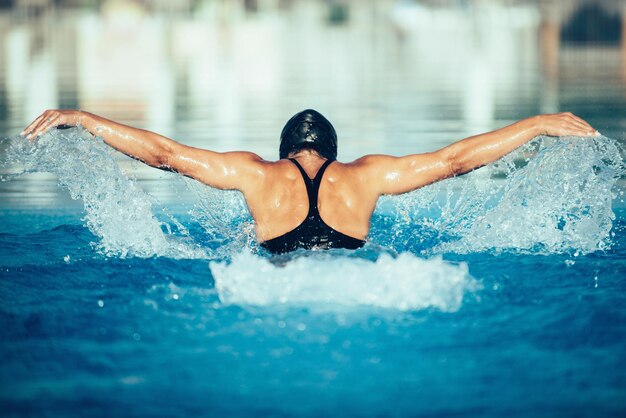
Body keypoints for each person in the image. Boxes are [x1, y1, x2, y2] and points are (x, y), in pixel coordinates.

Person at [21, 109, 598, 254]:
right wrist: (538, 124)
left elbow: (166, 155)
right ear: (333, 153)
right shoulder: (367, 176)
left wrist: (84, 119)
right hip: (359, 278)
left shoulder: (256, 174)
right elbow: (453, 161)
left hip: (268, 281)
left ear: (284, 153)